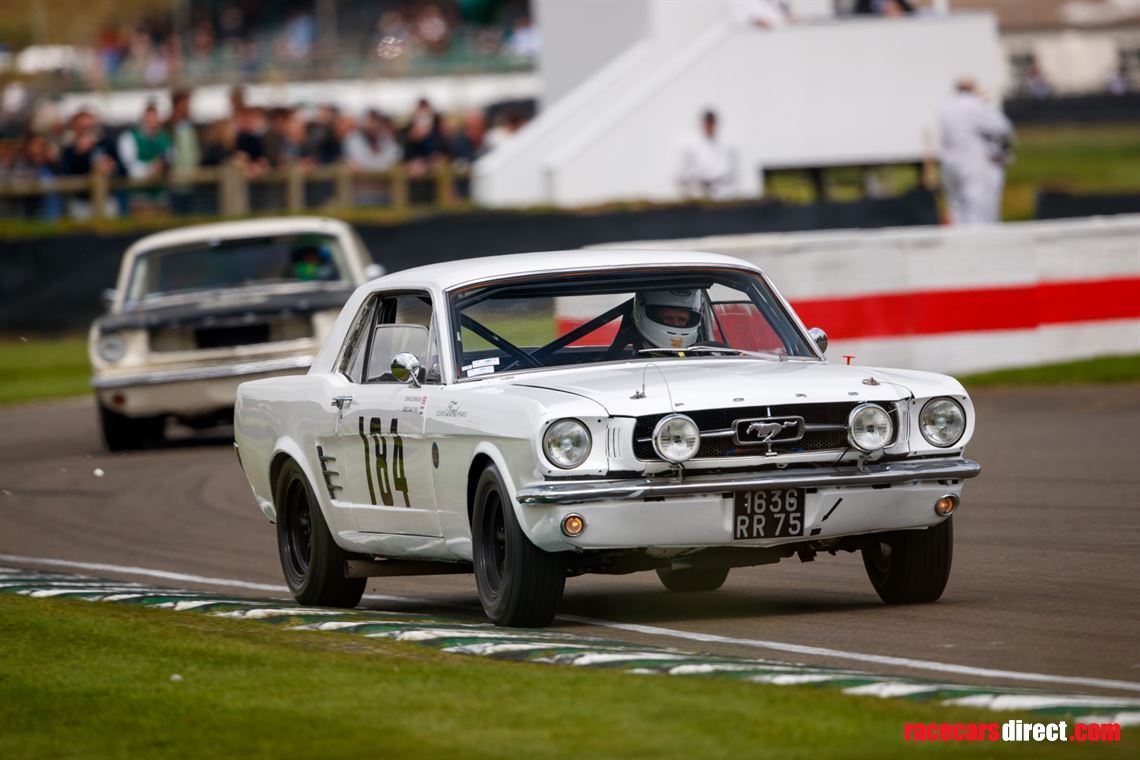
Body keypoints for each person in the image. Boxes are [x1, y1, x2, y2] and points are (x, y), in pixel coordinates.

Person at [938, 77, 1013, 225]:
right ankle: (979, 242)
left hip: (950, 163)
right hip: (972, 163)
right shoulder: (974, 105)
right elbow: (1003, 127)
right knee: (978, 206)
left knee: (958, 206)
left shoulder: (946, 108)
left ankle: (961, 242)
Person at [608, 289, 705, 356]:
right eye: (668, 318)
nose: (676, 324)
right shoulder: (626, 361)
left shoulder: (705, 354)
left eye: (682, 319)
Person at [678, 109, 738, 200]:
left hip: (722, 195)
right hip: (699, 196)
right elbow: (683, 175)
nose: (709, 126)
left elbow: (731, 174)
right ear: (703, 124)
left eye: (712, 123)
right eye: (707, 123)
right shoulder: (691, 146)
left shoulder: (727, 146)